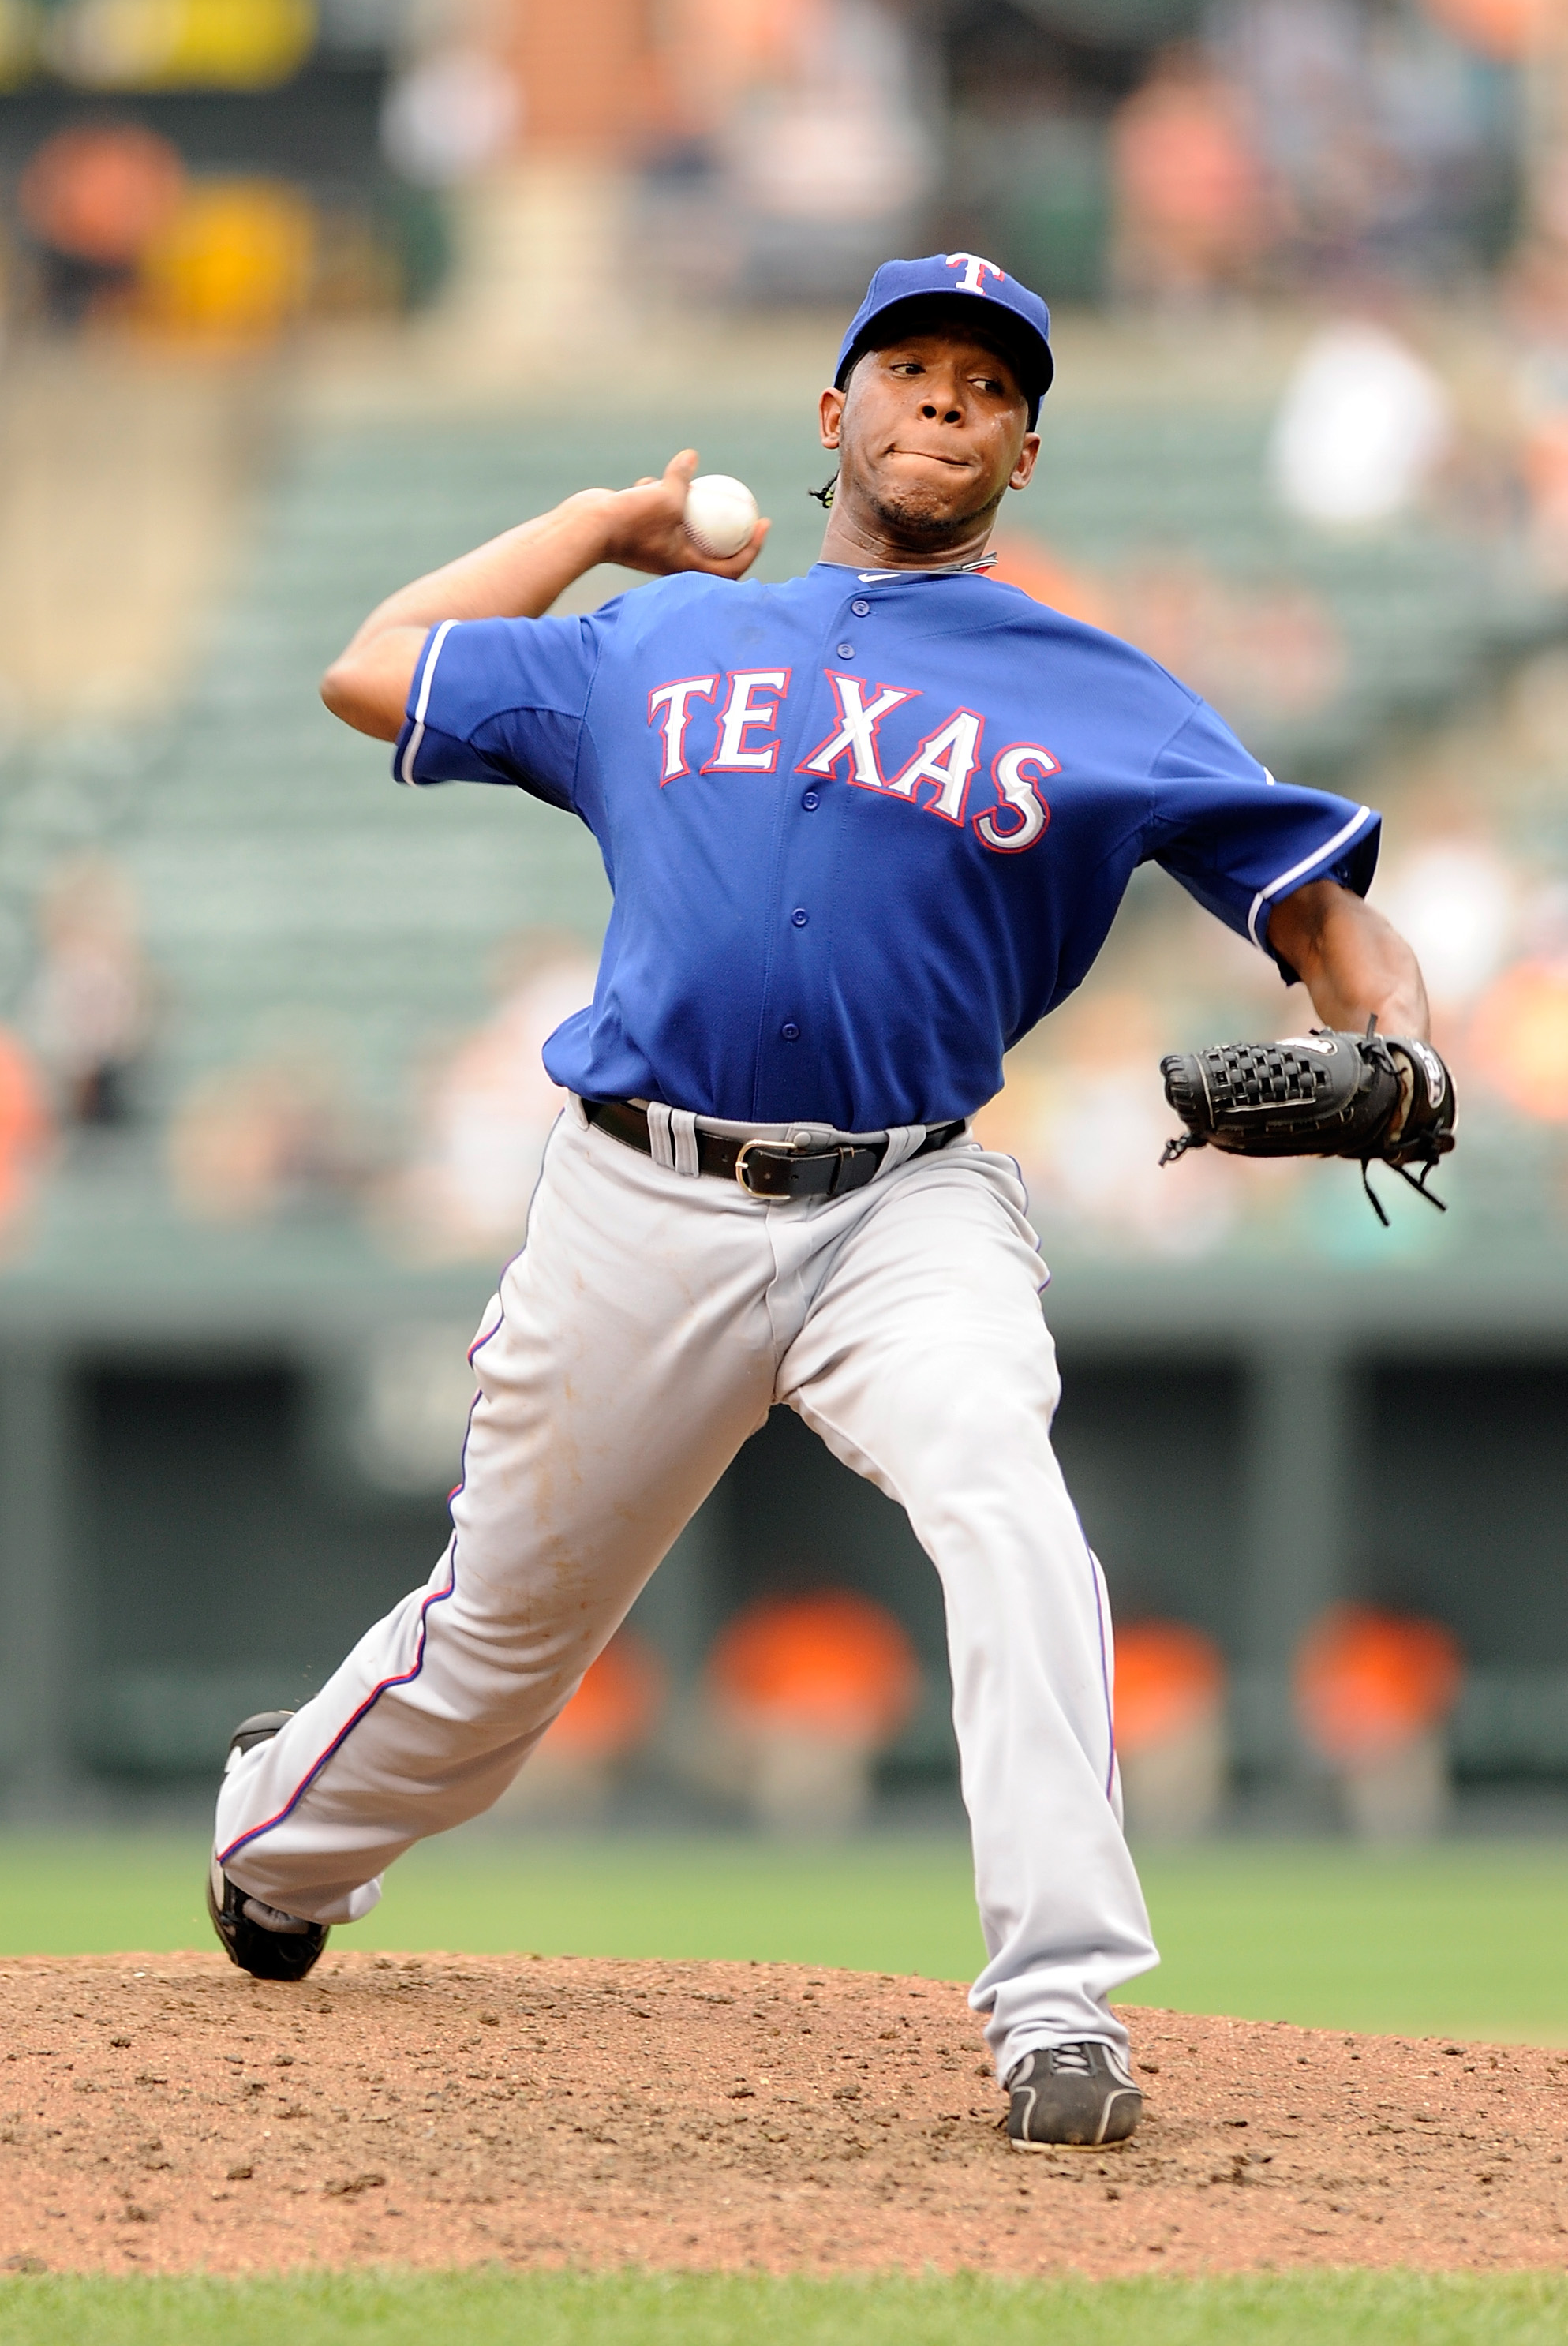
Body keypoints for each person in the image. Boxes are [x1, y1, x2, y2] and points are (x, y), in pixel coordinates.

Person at [208, 253, 1431, 2150]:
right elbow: (371, 664)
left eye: (984, 385)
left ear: (1026, 449)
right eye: (910, 366)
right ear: (833, 414)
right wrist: (600, 528)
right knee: (500, 1657)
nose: (944, 399)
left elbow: (1318, 910)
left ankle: (1059, 2003)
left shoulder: (1093, 684)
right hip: (638, 1197)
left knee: (1006, 1500)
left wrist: (1401, 1042)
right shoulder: (650, 647)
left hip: (907, 1209)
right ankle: (281, 1845)